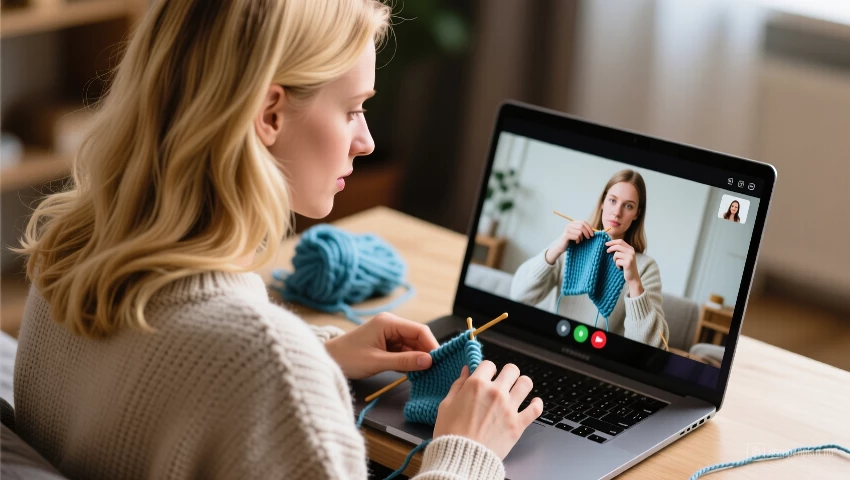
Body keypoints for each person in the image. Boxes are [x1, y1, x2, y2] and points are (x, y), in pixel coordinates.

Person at [11, 1, 543, 479]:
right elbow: (230, 362)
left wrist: (320, 354)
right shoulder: (270, 364)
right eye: (352, 109)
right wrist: (467, 451)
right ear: (269, 114)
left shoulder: (71, 249)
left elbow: (167, 380)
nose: (366, 140)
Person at [510, 169, 669, 348]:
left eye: (628, 206)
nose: (617, 212)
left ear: (637, 214)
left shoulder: (645, 267)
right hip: (553, 345)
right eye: (612, 200)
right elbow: (518, 295)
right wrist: (556, 249)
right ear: (602, 202)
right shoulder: (570, 244)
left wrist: (634, 282)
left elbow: (654, 345)